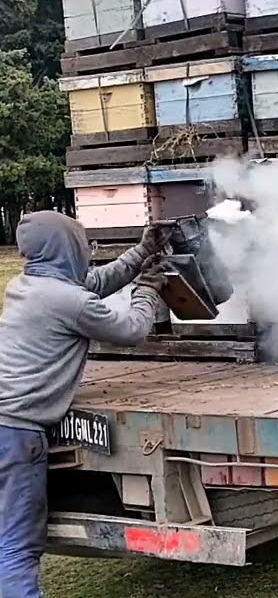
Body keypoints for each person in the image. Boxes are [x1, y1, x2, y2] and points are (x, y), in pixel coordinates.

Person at [0, 212, 170, 598]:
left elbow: (92, 282)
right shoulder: (67, 301)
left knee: (3, 536)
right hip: (15, 433)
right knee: (17, 545)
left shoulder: (26, 285)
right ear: (67, 247)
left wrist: (143, 250)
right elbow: (130, 331)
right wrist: (148, 288)